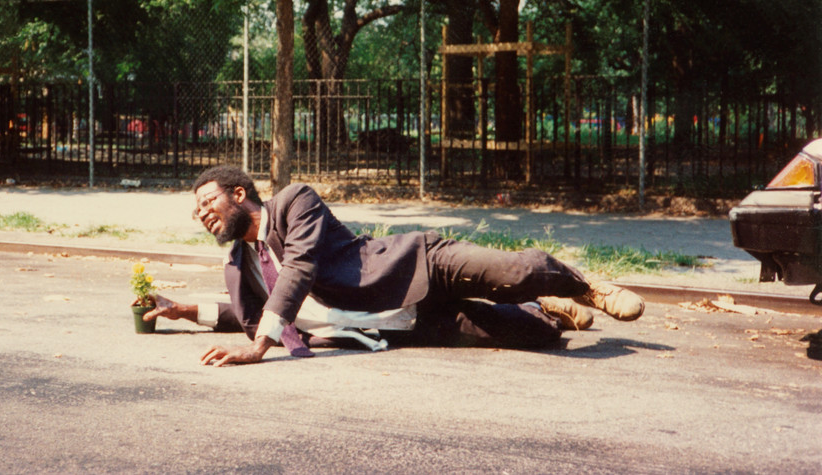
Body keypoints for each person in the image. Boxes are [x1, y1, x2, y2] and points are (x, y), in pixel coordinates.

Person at [146, 165, 645, 366]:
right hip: (402, 322)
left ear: (239, 194)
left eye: (207, 201)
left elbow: (296, 271)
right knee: (530, 335)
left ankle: (585, 286)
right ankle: (547, 309)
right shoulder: (239, 264)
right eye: (195, 211)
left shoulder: (294, 202)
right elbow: (259, 314)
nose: (201, 213)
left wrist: (260, 349)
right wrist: (184, 310)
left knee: (513, 273)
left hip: (417, 265)